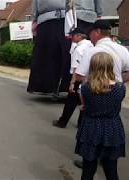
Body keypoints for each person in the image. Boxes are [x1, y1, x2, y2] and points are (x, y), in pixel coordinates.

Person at [73, 20, 129, 169]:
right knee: (111, 166)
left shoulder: (92, 51)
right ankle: (106, 158)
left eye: (90, 33)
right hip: (114, 100)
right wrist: (118, 83)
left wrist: (85, 86)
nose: (89, 36)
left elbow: (79, 75)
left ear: (97, 32)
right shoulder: (123, 50)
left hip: (93, 93)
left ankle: (90, 159)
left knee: (91, 135)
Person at [75, 52, 126, 180]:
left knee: (88, 169)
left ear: (92, 66)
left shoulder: (86, 88)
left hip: (91, 128)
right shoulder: (120, 88)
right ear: (110, 66)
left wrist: (85, 107)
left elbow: (85, 106)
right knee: (111, 169)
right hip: (112, 128)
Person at [28, 0, 71, 95]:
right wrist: (35, 20)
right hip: (47, 19)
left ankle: (66, 87)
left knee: (66, 53)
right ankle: (47, 87)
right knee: (47, 55)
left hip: (66, 17)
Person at [53, 27, 93, 128]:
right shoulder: (91, 46)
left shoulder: (78, 49)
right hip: (89, 77)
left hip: (78, 77)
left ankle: (62, 122)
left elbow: (76, 67)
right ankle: (81, 123)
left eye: (73, 35)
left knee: (71, 101)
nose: (71, 37)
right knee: (84, 101)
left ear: (79, 36)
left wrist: (72, 82)